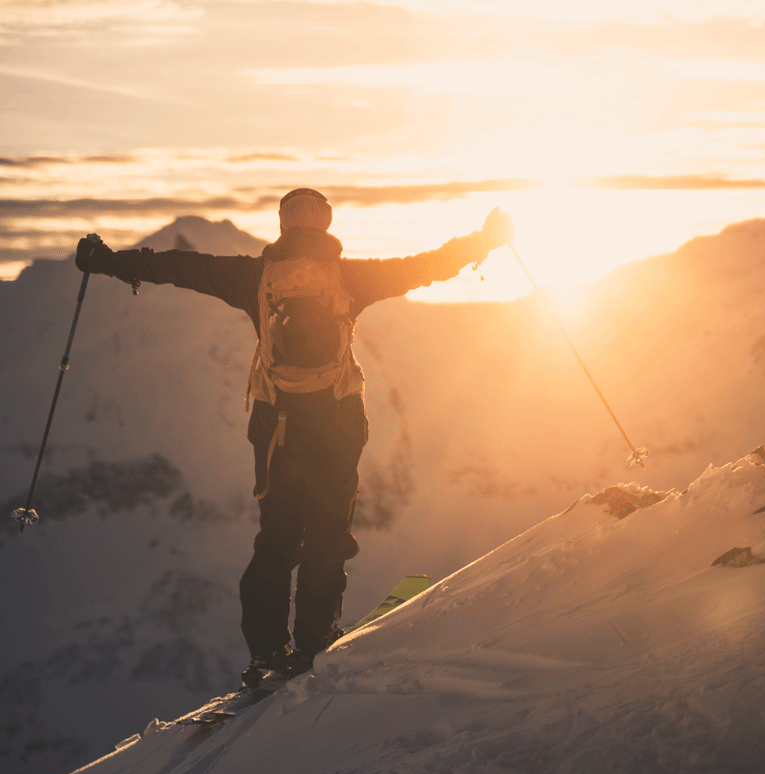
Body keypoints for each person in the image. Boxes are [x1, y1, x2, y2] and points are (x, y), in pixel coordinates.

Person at [75, 189, 514, 686]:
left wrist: (107, 261)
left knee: (276, 538)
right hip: (337, 422)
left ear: (283, 226)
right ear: (326, 226)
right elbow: (425, 266)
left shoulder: (253, 276)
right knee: (327, 535)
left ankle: (266, 650)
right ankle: (314, 642)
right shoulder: (351, 278)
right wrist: (486, 240)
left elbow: (179, 267)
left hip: (276, 427)